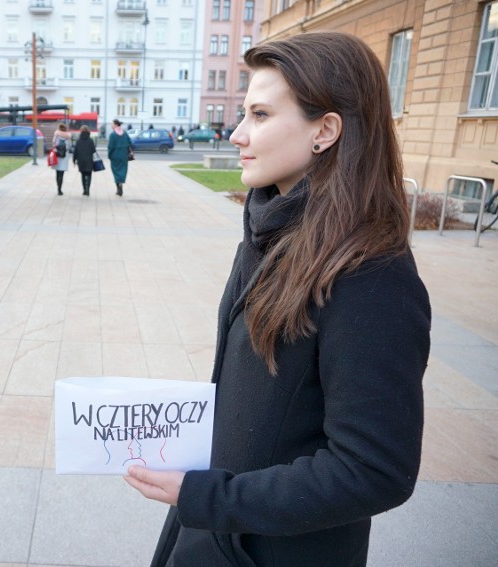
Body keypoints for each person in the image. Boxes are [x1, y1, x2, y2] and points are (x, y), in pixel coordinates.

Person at [124, 31, 430, 566]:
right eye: (244, 113)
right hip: (214, 534)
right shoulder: (271, 228)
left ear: (325, 130)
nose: (238, 134)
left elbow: (374, 470)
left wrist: (209, 498)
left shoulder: (372, 278)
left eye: (261, 115)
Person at [107, 118, 133, 196]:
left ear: (115, 125)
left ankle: (118, 188)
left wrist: (109, 155)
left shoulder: (112, 135)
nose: (111, 125)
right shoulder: (125, 133)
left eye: (112, 124)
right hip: (124, 156)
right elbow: (130, 142)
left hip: (115, 156)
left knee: (116, 171)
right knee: (122, 171)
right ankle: (121, 183)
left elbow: (110, 147)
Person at [72, 125, 98, 197]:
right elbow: (94, 151)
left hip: (81, 161)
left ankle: (84, 190)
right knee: (89, 175)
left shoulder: (78, 140)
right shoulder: (90, 140)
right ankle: (88, 190)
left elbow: (75, 152)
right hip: (89, 160)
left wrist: (74, 160)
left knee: (83, 175)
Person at [51, 123, 72, 196]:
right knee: (62, 174)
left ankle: (58, 188)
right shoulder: (68, 136)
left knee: (57, 173)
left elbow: (53, 144)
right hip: (64, 156)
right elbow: (69, 146)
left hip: (57, 156)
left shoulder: (56, 135)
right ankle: (60, 189)